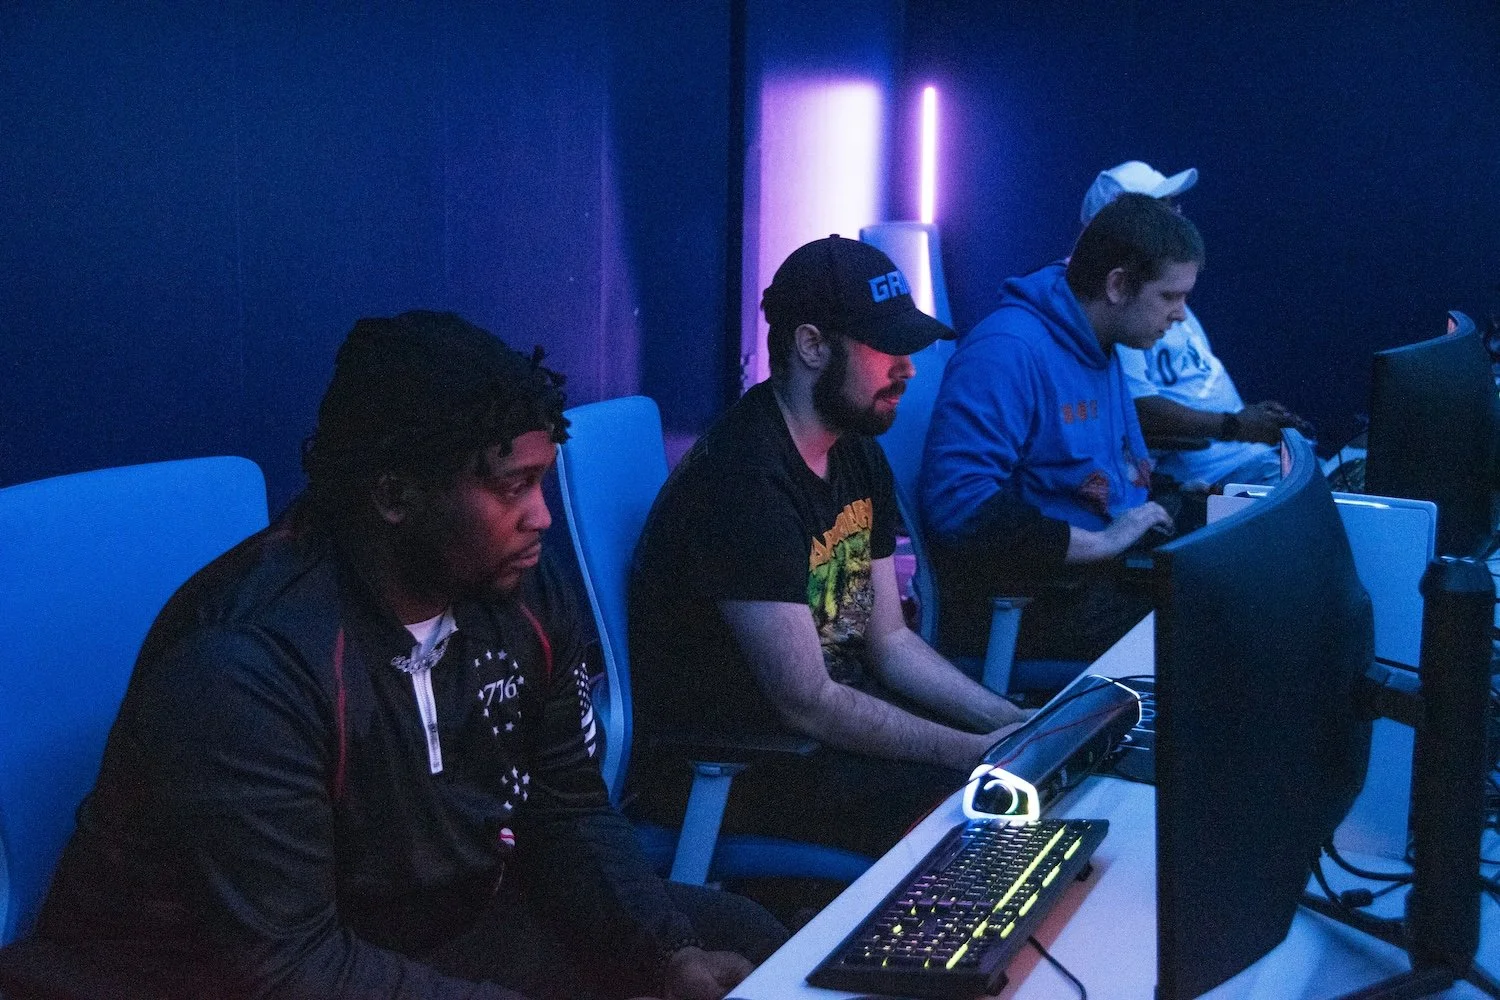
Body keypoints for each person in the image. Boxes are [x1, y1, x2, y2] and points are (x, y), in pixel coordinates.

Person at [32, 312, 785, 1000]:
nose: (542, 517)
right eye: (513, 488)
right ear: (395, 496)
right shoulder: (246, 664)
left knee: (736, 941)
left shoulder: (519, 588)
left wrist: (668, 954)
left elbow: (566, 810)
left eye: (543, 481)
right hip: (203, 974)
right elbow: (289, 969)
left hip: (422, 927)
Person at [629, 237, 1030, 861]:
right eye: (886, 347)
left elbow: (889, 642)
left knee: (1022, 782)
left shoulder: (855, 452)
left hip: (821, 742)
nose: (908, 368)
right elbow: (807, 702)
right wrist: (971, 754)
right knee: (991, 819)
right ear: (812, 346)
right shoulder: (743, 484)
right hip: (741, 767)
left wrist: (1011, 723)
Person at [920, 194, 1197, 665]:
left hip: (1097, 578)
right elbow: (959, 505)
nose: (1181, 314)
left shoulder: (1101, 342)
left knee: (1236, 582)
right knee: (1222, 625)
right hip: (1039, 603)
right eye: (1170, 296)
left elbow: (1097, 471)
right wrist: (1105, 542)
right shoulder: (1007, 351)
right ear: (1117, 285)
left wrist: (1180, 495)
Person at [1083, 160, 1313, 488]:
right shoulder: (1123, 312)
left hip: (1253, 456)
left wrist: (1254, 419)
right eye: (1160, 209)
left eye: (1173, 206)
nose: (1176, 217)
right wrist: (1234, 425)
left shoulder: (1165, 293)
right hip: (1218, 472)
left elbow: (1196, 385)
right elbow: (1136, 410)